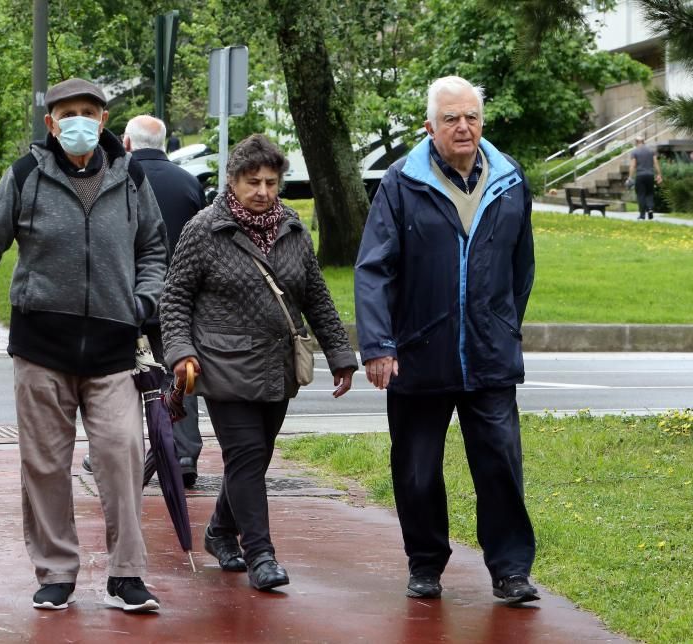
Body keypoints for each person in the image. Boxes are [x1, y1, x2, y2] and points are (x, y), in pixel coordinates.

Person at [0, 78, 168, 613]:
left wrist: (143, 303)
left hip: (113, 346)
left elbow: (153, 249)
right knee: (46, 464)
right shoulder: (27, 174)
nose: (78, 121)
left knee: (121, 454)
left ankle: (126, 575)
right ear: (51, 123)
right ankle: (56, 571)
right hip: (41, 347)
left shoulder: (131, 175)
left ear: (104, 121)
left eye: (89, 112)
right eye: (67, 113)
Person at [354, 75, 538, 604]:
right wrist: (379, 344)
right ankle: (426, 564)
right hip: (419, 353)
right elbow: (373, 269)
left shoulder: (509, 179)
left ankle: (510, 571)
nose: (464, 127)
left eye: (472, 117)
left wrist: (503, 325)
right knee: (416, 470)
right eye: (452, 119)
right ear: (429, 126)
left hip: (489, 354)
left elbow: (520, 269)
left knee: (500, 465)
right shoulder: (400, 182)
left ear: (483, 121)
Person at [160, 134, 357, 591]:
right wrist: (180, 352)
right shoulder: (205, 229)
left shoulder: (291, 227)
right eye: (253, 182)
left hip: (277, 367)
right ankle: (261, 554)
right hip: (222, 365)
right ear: (232, 181)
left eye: (271, 181)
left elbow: (316, 297)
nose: (264, 191)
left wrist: (341, 355)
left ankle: (220, 532)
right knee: (246, 456)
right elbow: (174, 298)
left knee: (254, 458)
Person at [82, 114, 206, 487]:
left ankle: (122, 454)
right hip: (179, 300)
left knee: (122, 379)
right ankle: (183, 453)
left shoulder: (117, 181)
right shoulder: (189, 183)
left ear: (129, 143)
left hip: (128, 298)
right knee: (181, 376)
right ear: (164, 142)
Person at [629, 135, 663, 220]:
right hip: (650, 175)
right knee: (650, 193)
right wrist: (659, 174)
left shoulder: (635, 152)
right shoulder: (651, 151)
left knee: (641, 194)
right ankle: (650, 209)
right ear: (644, 141)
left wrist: (630, 177)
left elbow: (633, 165)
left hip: (640, 175)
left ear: (636, 142)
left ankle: (642, 214)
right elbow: (655, 163)